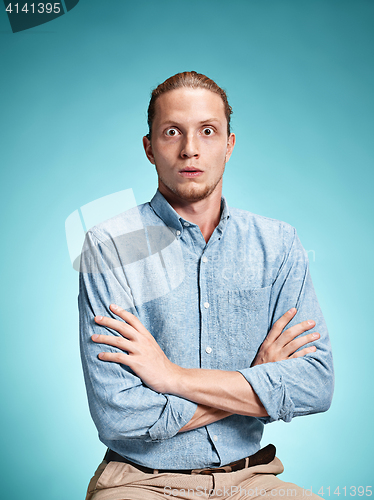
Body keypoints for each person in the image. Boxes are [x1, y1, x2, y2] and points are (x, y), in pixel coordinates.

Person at [79, 71, 334, 500]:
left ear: (229, 145)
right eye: (172, 132)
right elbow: (118, 415)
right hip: (142, 482)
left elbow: (315, 384)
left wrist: (171, 377)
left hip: (253, 480)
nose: (190, 149)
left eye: (208, 131)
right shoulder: (110, 246)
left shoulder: (279, 244)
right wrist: (256, 382)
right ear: (149, 148)